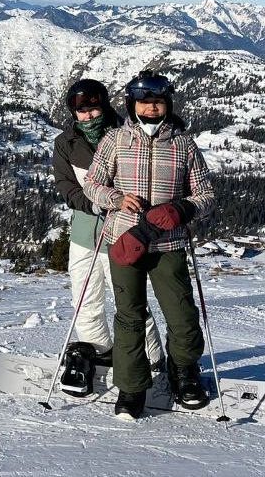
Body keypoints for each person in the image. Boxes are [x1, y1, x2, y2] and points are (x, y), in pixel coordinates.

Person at [84, 70, 216, 420]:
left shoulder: (184, 144)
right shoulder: (114, 140)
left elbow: (207, 195)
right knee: (130, 317)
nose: (152, 109)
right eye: (145, 103)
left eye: (158, 103)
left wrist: (183, 208)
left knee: (182, 314)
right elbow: (92, 185)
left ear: (167, 104)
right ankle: (131, 387)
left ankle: (184, 374)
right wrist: (114, 198)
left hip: (168, 244)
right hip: (125, 241)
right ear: (132, 104)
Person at [51, 79, 164, 395]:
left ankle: (154, 360)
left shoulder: (126, 135)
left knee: (129, 300)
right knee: (85, 298)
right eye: (80, 111)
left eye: (93, 108)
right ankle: (99, 353)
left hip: (123, 232)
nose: (87, 116)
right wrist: (92, 202)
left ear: (105, 105)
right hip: (85, 230)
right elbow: (66, 185)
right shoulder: (67, 143)